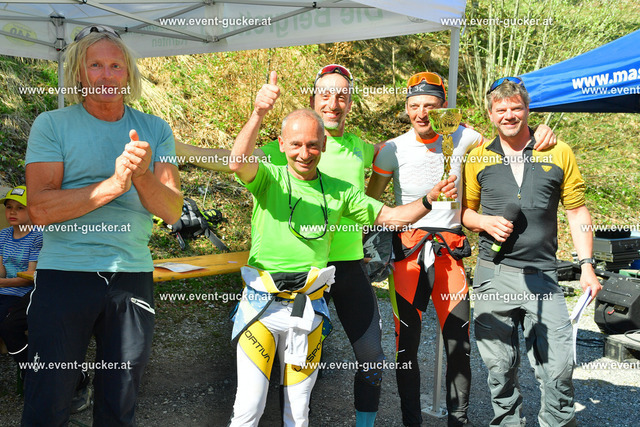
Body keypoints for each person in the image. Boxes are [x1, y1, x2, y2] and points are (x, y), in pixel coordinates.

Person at [227, 71, 457, 426]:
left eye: (312, 145)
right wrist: (257, 113)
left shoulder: (353, 165)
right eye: (296, 145)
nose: (304, 153)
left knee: (344, 376)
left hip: (330, 280)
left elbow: (392, 210)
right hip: (274, 289)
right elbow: (236, 161)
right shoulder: (274, 167)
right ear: (283, 143)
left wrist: (430, 196)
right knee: (253, 402)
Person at [178, 64, 386, 425]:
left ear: (351, 103)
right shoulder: (290, 146)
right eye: (325, 94)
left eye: (342, 95)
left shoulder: (362, 149)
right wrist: (180, 148)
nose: (333, 102)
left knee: (371, 358)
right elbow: (232, 160)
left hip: (349, 266)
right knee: (290, 371)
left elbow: (384, 186)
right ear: (313, 99)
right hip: (302, 274)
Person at [366, 72, 557, 426]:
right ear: (406, 108)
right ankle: (411, 422)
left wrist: (541, 132)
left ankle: (459, 421)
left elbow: (508, 140)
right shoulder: (392, 149)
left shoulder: (466, 137)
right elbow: (370, 203)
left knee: (459, 344)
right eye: (414, 105)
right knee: (406, 345)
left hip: (449, 254)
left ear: (444, 107)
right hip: (408, 255)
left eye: (430, 105)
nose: (422, 113)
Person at [23, 25, 182, 426]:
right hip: (64, 275)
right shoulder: (51, 124)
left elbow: (171, 211)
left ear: (128, 73)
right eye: (95, 65)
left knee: (119, 403)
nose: (106, 75)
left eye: (115, 66)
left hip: (131, 276)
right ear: (79, 72)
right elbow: (39, 209)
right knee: (48, 401)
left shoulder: (155, 129)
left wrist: (142, 175)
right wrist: (113, 185)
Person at [461, 77, 602, 426]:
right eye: (501, 109)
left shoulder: (557, 151)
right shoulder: (477, 157)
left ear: (527, 110)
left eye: (516, 108)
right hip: (493, 275)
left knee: (558, 367)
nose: (509, 115)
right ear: (490, 115)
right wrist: (483, 222)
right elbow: (463, 212)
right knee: (499, 368)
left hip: (543, 275)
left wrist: (587, 265)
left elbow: (577, 211)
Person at [0, 185, 91, 413]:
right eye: (9, 207)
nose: (12, 212)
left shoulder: (40, 236)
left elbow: (29, 278)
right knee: (11, 324)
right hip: (17, 291)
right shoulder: (4, 235)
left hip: (35, 292)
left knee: (19, 325)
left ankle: (68, 378)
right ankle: (34, 373)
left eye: (20, 208)